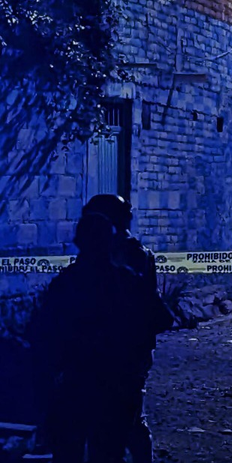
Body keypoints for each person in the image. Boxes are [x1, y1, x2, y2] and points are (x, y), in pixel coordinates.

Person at [29, 212, 173, 463]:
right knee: (107, 451)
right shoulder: (126, 281)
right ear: (110, 243)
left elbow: (42, 332)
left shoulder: (66, 283)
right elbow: (162, 319)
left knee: (69, 451)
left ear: (79, 242)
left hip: (76, 382)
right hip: (116, 384)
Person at [80, 194, 159, 463]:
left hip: (123, 350)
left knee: (127, 418)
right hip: (124, 350)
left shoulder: (127, 256)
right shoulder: (128, 252)